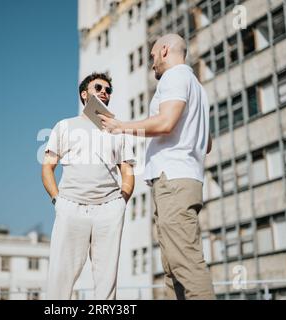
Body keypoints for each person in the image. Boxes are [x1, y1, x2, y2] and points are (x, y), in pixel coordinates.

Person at [98, 34, 215, 300]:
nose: (152, 64)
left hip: (173, 179)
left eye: (152, 57)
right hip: (184, 180)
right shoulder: (197, 87)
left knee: (185, 264)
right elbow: (206, 143)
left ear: (164, 51)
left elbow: (165, 123)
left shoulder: (175, 77)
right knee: (173, 269)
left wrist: (121, 127)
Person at [41, 72, 136, 300]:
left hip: (109, 210)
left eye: (108, 90)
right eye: (99, 87)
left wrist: (120, 202)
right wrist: (58, 201)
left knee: (106, 280)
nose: (105, 92)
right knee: (60, 277)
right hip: (71, 206)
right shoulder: (65, 126)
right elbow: (47, 168)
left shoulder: (118, 131)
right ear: (84, 94)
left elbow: (127, 171)